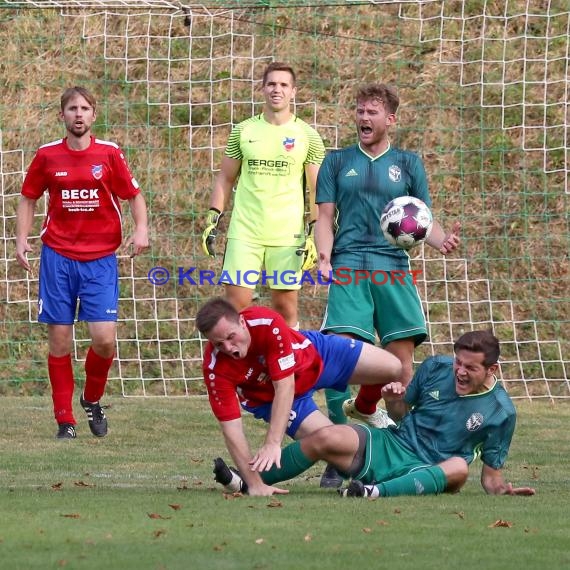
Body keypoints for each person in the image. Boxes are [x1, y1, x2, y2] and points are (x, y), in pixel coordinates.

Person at [213, 330, 536, 498]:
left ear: (492, 368)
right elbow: (399, 414)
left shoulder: (502, 412)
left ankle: (372, 492)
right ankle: (248, 482)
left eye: (471, 368)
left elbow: (490, 477)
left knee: (457, 468)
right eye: (458, 363)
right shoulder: (437, 367)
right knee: (325, 436)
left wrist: (502, 490)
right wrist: (393, 399)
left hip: (432, 468)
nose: (460, 372)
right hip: (394, 444)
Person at [314, 83, 461, 440]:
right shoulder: (336, 161)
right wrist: (323, 258)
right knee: (341, 356)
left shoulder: (408, 163)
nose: (363, 117)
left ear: (390, 119)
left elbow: (423, 219)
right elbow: (324, 217)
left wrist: (442, 240)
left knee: (401, 366)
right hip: (348, 262)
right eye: (360, 111)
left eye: (372, 112)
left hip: (393, 266)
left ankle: (388, 430)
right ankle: (338, 441)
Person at [15, 86, 149, 440]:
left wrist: (141, 230)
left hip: (100, 260)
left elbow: (133, 195)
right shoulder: (47, 156)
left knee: (104, 340)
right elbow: (28, 197)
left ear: (94, 115)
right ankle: (65, 421)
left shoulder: (108, 154)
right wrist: (21, 238)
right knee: (60, 341)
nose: (78, 114)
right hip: (57, 258)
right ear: (62, 115)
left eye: (85, 108)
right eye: (72, 108)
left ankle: (91, 399)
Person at [196, 297, 402, 497]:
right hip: (273, 399)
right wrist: (255, 486)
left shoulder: (266, 322)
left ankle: (364, 408)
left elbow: (284, 384)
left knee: (394, 367)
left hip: (315, 357)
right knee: (335, 441)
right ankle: (387, 476)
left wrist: (272, 442)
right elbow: (231, 429)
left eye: (231, 337)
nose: (228, 348)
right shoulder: (216, 370)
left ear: (242, 322)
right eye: (219, 344)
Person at [201, 61, 325, 328]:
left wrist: (315, 231)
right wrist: (213, 217)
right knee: (236, 307)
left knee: (285, 307)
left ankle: (289, 367)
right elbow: (225, 177)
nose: (276, 89)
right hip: (245, 231)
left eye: (283, 85)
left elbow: (318, 189)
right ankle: (241, 366)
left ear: (294, 91)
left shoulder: (308, 136)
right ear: (262, 89)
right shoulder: (243, 131)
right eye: (271, 84)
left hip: (286, 235)